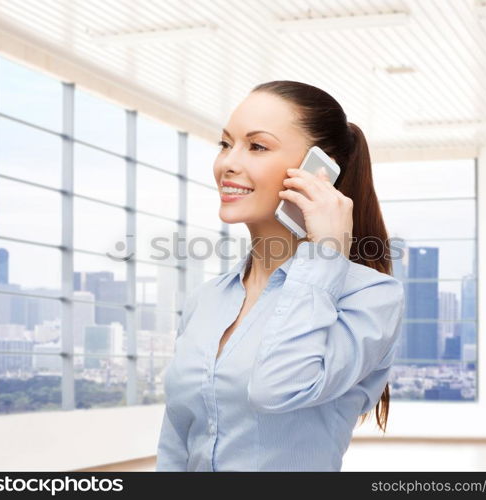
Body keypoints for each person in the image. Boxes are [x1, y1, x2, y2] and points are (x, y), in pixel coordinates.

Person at [155, 80, 405, 472]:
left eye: (256, 146)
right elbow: (176, 442)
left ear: (320, 171)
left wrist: (325, 254)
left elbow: (277, 388)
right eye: (225, 144)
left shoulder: (371, 297)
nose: (228, 163)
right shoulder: (207, 299)